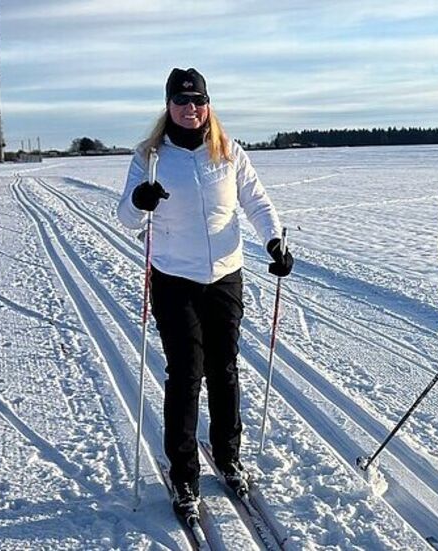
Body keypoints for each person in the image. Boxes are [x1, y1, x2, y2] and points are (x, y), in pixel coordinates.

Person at [116, 68, 294, 517]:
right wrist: (140, 201)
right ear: (169, 106)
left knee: (224, 368)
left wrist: (274, 240)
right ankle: (184, 474)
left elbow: (256, 201)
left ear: (208, 105)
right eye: (181, 101)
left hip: (225, 276)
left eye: (197, 101)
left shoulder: (228, 151)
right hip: (175, 277)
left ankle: (228, 456)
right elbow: (126, 217)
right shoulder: (150, 156)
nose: (190, 108)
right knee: (185, 374)